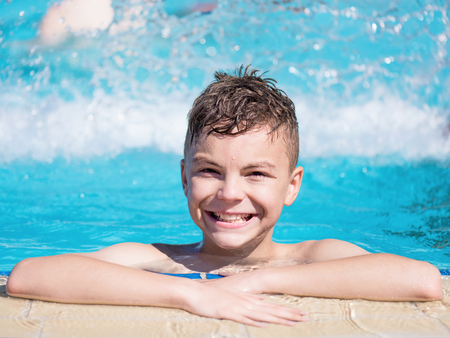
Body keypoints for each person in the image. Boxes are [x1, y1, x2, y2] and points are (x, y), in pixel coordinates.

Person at [6, 66, 443, 327]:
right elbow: (28, 276)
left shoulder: (310, 256)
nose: (230, 194)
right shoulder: (160, 259)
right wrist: (189, 295)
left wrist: (261, 280)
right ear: (184, 177)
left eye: (256, 174)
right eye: (210, 171)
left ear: (292, 186)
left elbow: (422, 281)